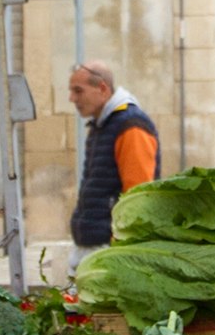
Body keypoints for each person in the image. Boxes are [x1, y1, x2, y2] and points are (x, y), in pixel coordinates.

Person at [65, 62, 161, 250]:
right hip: (96, 243)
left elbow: (138, 195)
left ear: (102, 88)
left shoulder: (131, 126)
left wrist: (121, 245)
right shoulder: (102, 125)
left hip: (110, 249)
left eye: (78, 91)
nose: (72, 98)